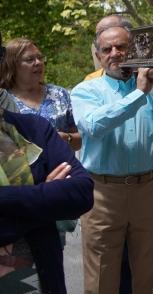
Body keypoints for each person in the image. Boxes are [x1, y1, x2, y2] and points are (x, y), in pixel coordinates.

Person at [71, 25, 153, 294]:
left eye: (122, 47)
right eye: (107, 49)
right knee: (101, 277)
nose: (115, 54)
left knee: (148, 274)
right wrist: (138, 94)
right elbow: (94, 125)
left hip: (150, 188)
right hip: (103, 193)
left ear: (135, 49)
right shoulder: (86, 90)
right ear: (98, 55)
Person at [0, 54, 94, 294]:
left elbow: (82, 191)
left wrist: (12, 201)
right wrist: (45, 199)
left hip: (44, 277)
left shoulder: (33, 128)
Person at [0, 38, 81, 151]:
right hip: (25, 167)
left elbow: (80, 140)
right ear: (12, 66)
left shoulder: (59, 94)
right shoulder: (4, 100)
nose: (38, 62)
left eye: (40, 58)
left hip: (65, 166)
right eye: (30, 59)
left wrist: (68, 138)